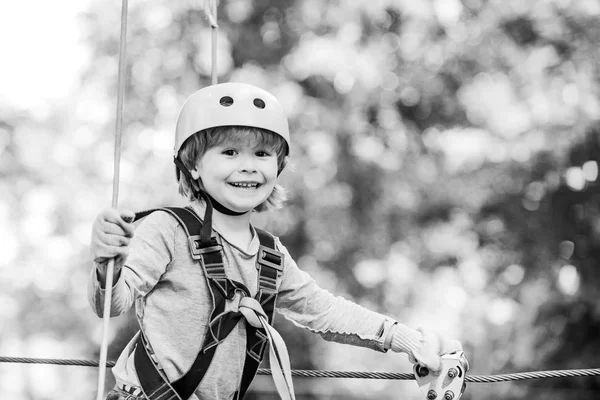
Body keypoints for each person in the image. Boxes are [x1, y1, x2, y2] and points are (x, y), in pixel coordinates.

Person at [89, 82, 462, 400]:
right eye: (230, 151)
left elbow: (325, 312)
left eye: (262, 153)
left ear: (278, 167)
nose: (249, 165)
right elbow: (112, 302)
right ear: (194, 165)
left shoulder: (270, 256)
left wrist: (406, 339)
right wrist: (110, 262)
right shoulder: (167, 229)